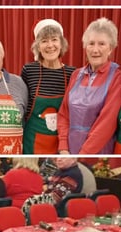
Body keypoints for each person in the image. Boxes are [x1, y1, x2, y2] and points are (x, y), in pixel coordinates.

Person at [57, 18, 121, 155]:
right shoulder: (76, 75)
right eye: (91, 44)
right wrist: (63, 147)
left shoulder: (117, 78)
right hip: (69, 150)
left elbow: (107, 123)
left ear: (111, 48)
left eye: (101, 44)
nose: (95, 49)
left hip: (97, 152)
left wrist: (82, 155)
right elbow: (64, 114)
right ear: (85, 47)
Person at [21, 19, 76, 154]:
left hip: (61, 143)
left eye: (54, 39)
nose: (50, 45)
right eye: (44, 41)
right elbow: (21, 107)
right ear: (38, 46)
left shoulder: (72, 74)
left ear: (61, 44)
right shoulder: (29, 70)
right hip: (31, 141)